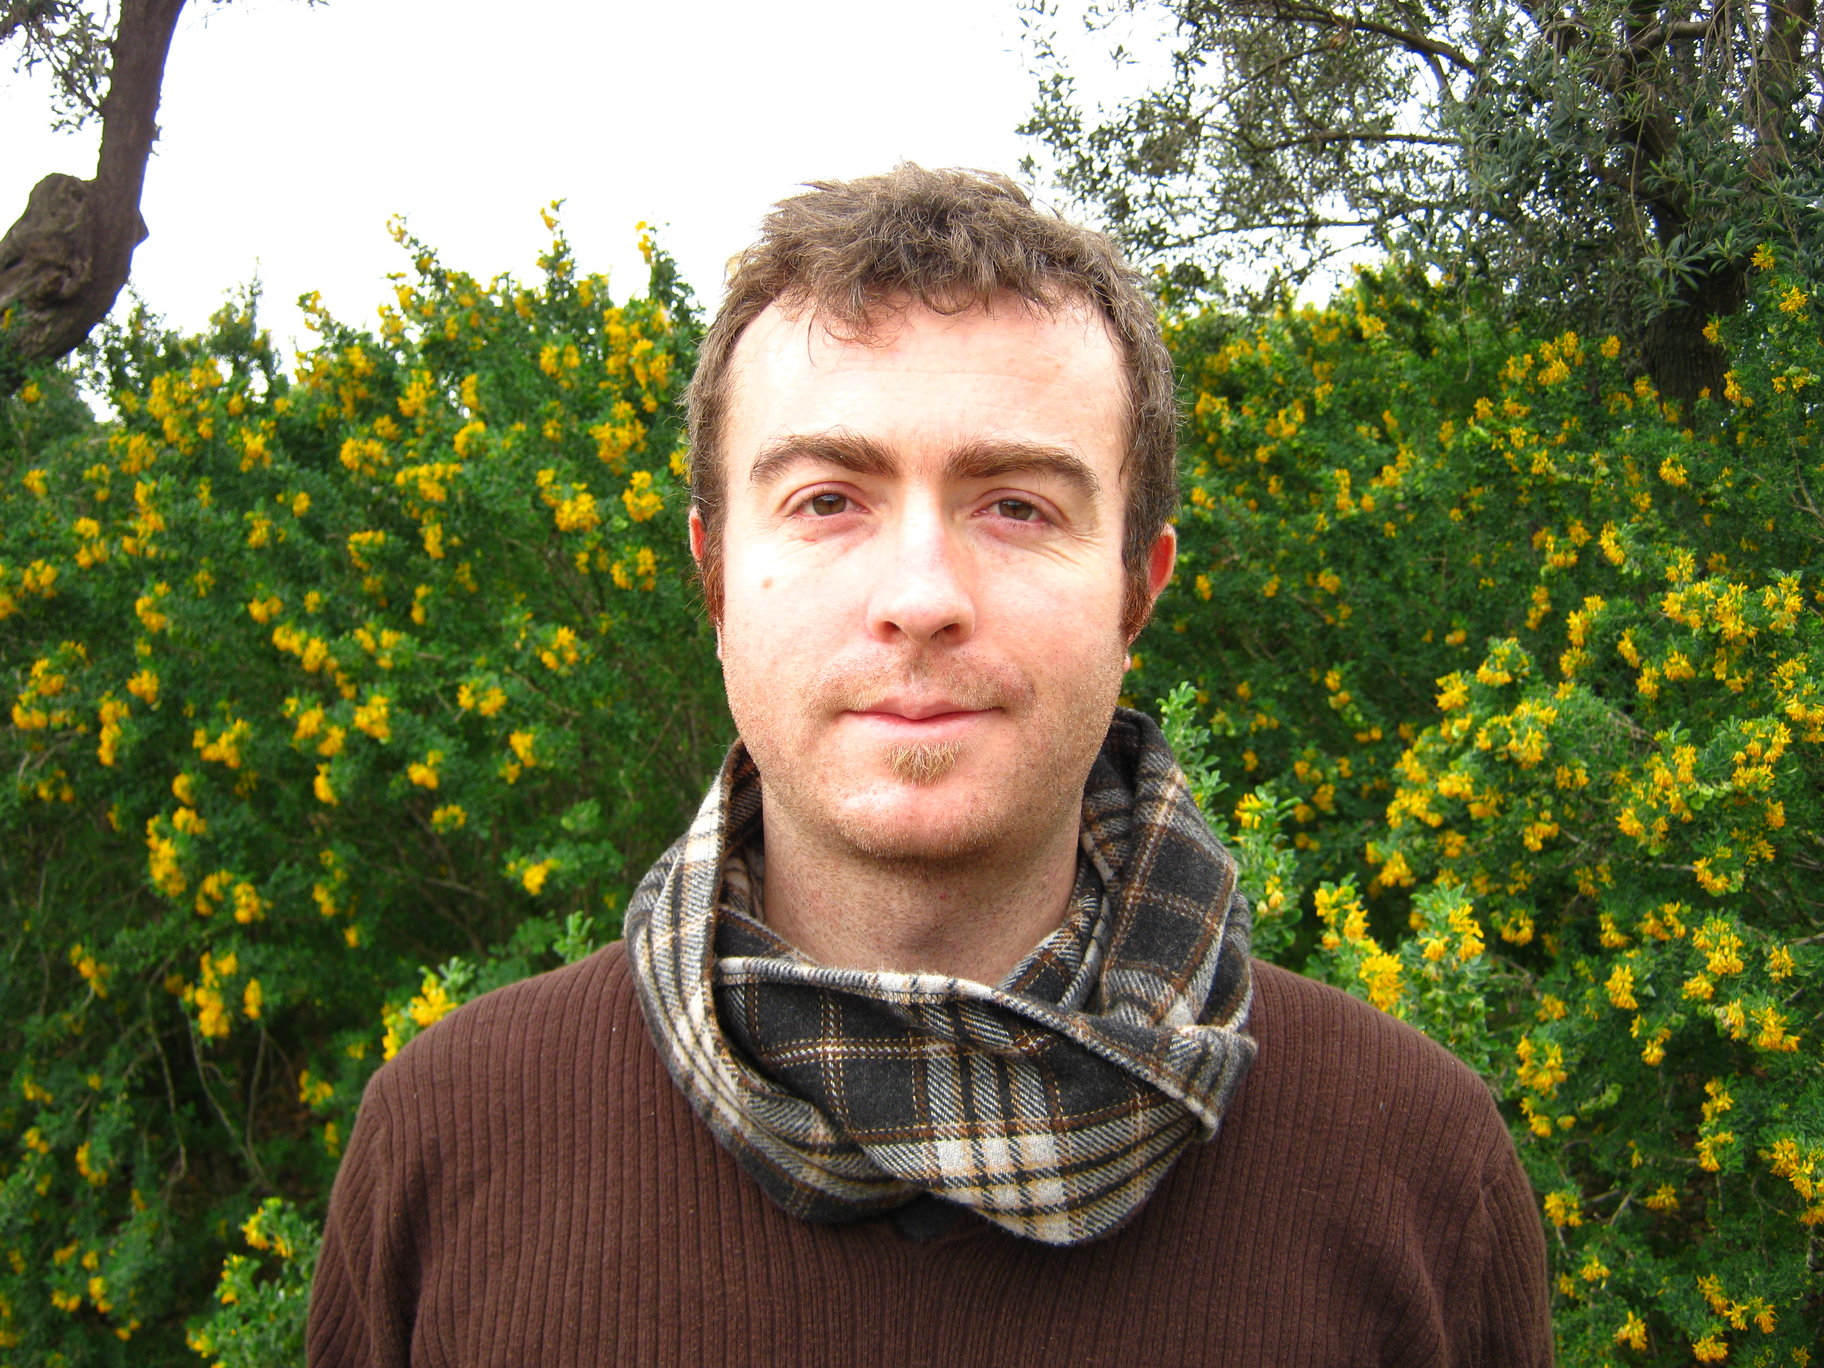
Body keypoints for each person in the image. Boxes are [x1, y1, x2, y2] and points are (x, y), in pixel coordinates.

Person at [306, 165, 1553, 1366]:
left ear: (1138, 589)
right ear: (715, 578)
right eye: (827, 500)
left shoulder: (1420, 1172)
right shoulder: (445, 1143)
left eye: (1015, 505)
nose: (920, 597)